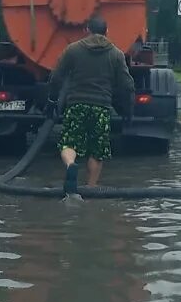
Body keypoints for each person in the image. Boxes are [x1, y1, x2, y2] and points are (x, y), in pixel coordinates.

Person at [46, 15, 134, 194]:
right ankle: (91, 188)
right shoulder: (116, 54)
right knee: (97, 150)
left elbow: (56, 77)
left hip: (76, 104)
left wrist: (52, 100)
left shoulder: (73, 50)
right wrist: (128, 109)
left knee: (69, 143)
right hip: (101, 107)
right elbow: (127, 85)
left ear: (87, 30)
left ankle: (71, 165)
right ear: (107, 32)